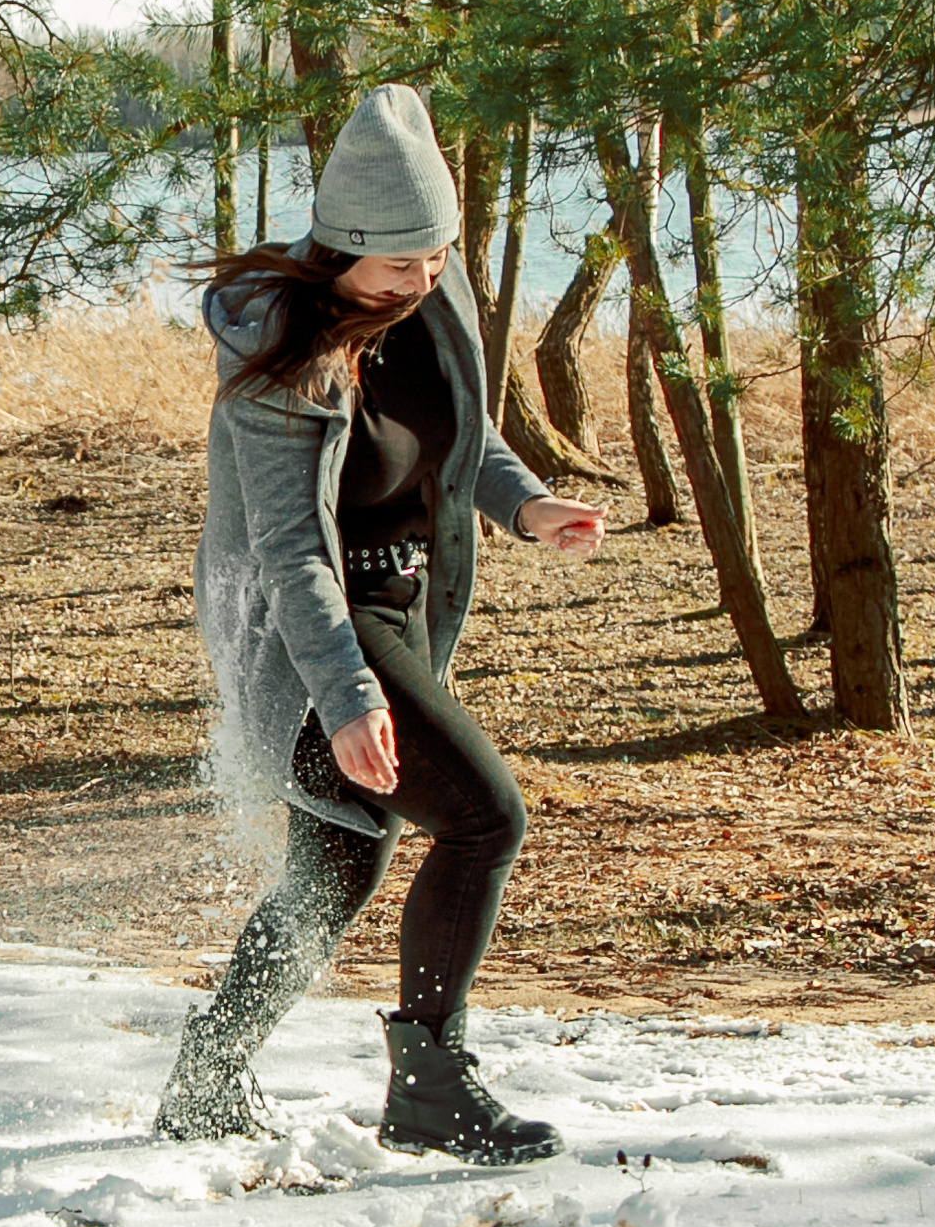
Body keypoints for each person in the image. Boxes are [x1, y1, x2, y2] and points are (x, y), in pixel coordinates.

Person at [156, 82, 604, 1161]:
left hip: (394, 617)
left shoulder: (428, 310)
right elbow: (289, 553)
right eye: (397, 264)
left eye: (437, 258)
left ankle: (205, 1078)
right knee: (485, 820)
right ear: (339, 248)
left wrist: (528, 504)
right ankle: (431, 1088)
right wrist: (346, 700)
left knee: (335, 871)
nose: (421, 282)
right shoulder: (284, 362)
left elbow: (466, 439)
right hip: (317, 639)